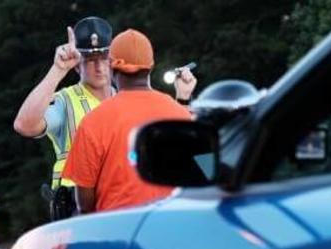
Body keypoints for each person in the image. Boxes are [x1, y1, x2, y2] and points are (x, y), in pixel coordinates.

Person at [14, 18, 196, 220]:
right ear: (77, 65)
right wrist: (58, 70)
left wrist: (183, 99)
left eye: (103, 58)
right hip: (75, 212)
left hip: (114, 209)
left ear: (113, 61)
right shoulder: (67, 101)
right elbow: (25, 125)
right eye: (90, 61)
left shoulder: (131, 99)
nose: (99, 67)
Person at [61, 29, 192, 214]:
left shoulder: (93, 122)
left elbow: (85, 205)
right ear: (151, 66)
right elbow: (205, 173)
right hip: (173, 227)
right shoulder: (181, 113)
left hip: (117, 232)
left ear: (111, 66)